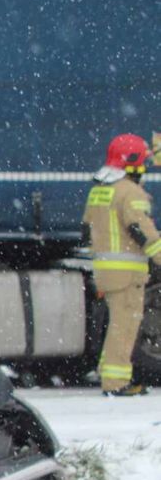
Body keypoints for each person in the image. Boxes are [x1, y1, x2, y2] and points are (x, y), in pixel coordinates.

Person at [83, 133, 161, 396]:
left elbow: (87, 230)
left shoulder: (99, 191)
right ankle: (116, 384)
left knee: (116, 326)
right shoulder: (131, 193)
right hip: (127, 274)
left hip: (105, 270)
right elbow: (143, 233)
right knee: (124, 328)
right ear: (134, 164)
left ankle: (109, 376)